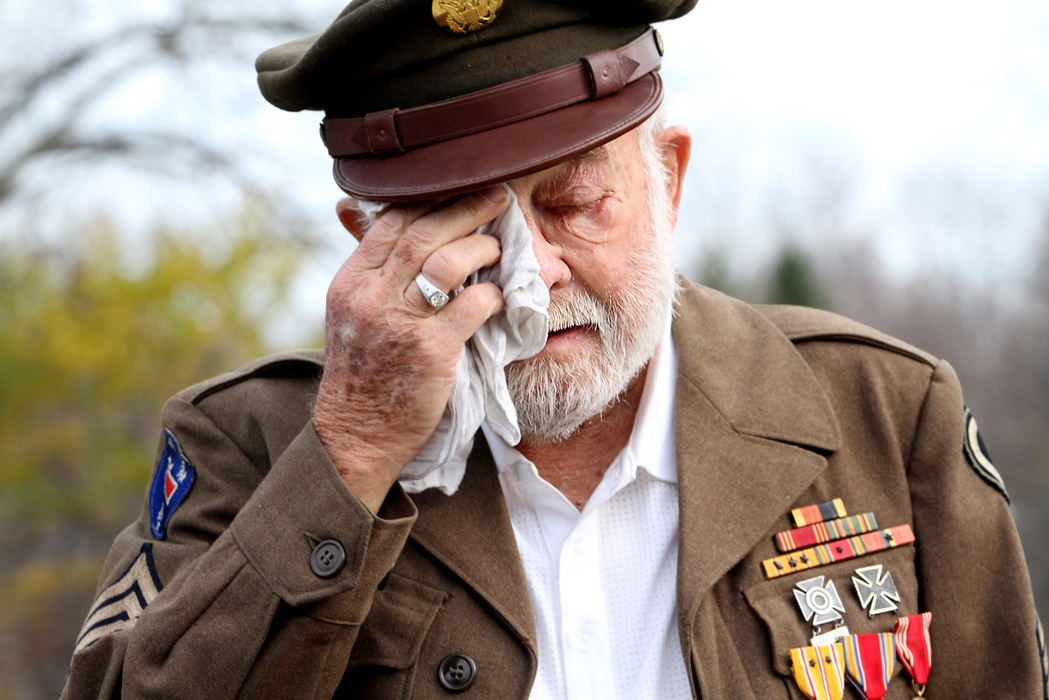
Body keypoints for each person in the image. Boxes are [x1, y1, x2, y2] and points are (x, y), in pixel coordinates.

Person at [63, 1, 1047, 698]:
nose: (537, 278)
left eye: (577, 205)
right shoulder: (246, 444)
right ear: (364, 244)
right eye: (468, 231)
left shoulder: (882, 410)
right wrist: (352, 456)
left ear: (668, 177)